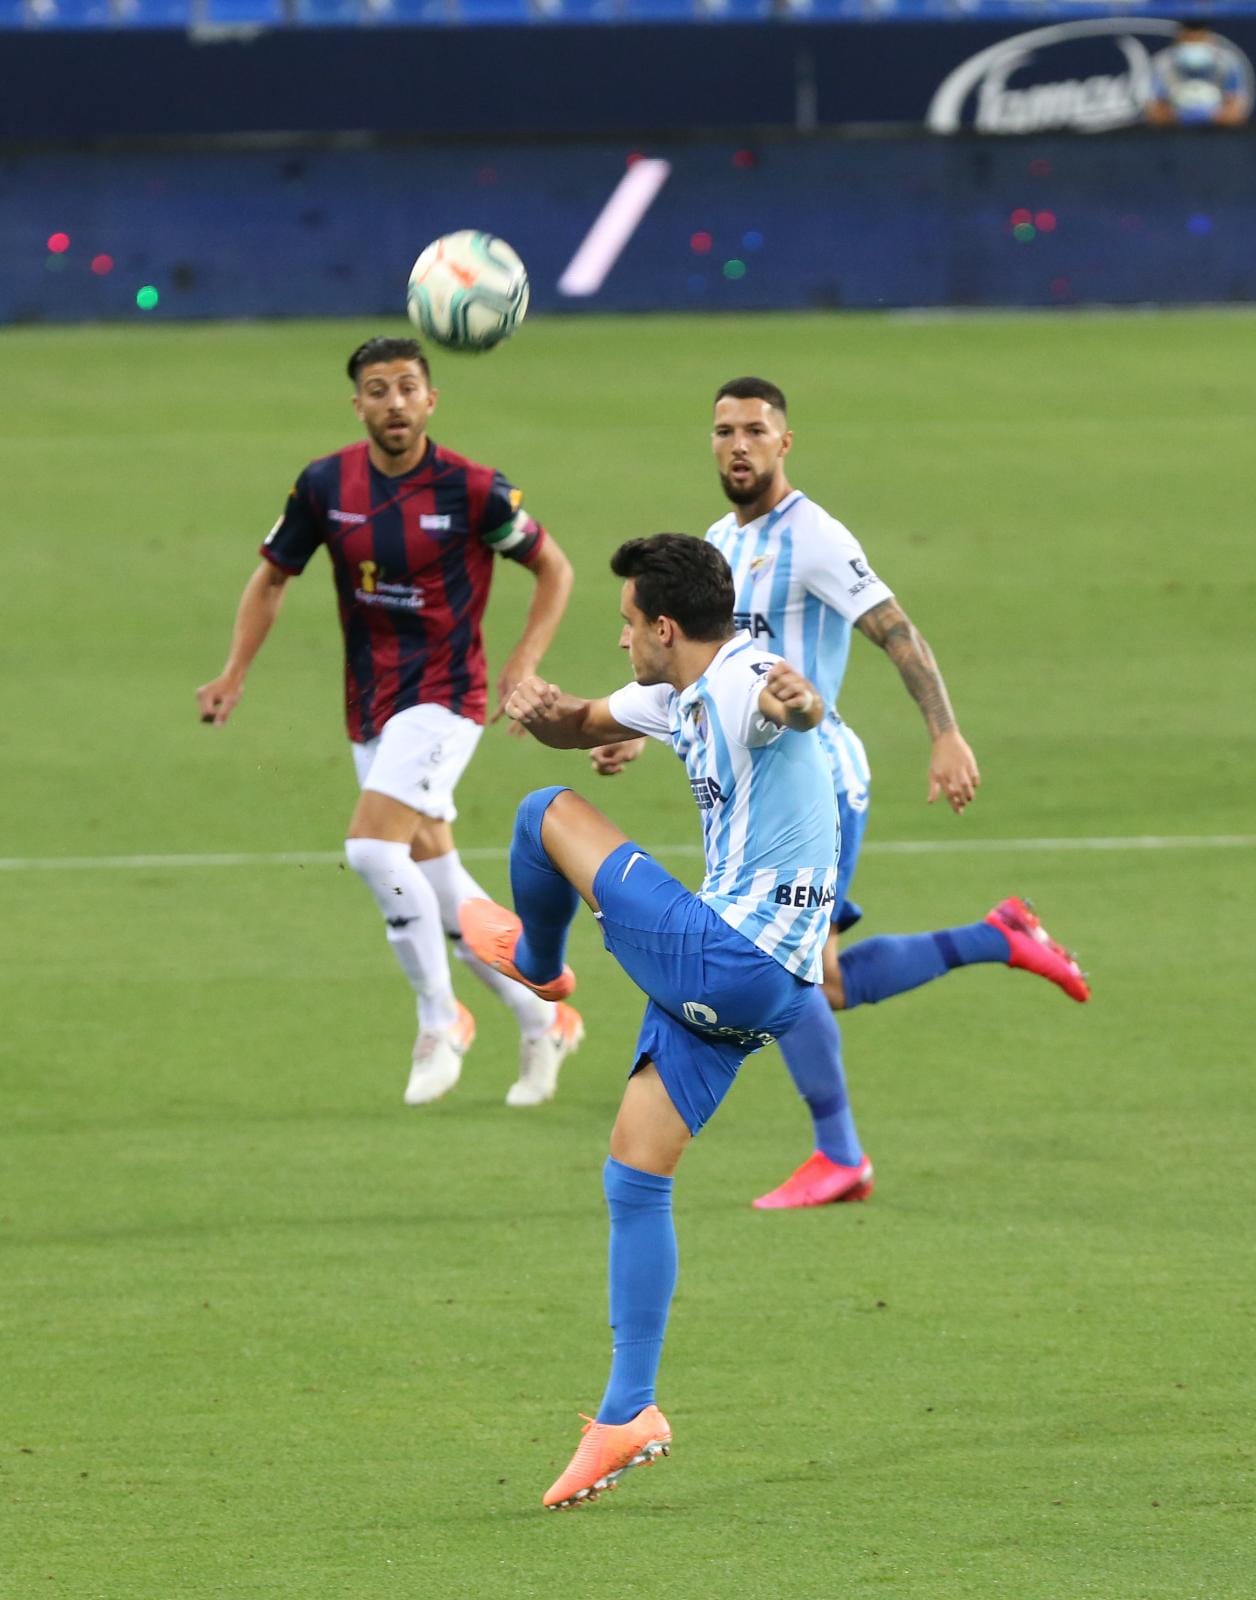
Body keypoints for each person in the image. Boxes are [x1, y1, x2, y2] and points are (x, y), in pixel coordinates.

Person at [591, 376, 1088, 1210]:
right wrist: (636, 728)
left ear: (785, 442)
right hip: (759, 790)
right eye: (723, 431)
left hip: (819, 782)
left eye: (754, 430)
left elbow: (894, 629)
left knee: (801, 980)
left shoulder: (813, 538)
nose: (737, 444)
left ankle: (842, 1154)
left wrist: (945, 733)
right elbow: (695, 668)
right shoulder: (718, 542)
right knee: (822, 980)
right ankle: (999, 936)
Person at [456, 533, 837, 1509]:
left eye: (626, 625)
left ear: (664, 629)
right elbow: (586, 720)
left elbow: (783, 706)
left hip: (731, 956)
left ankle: (535, 967)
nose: (621, 639)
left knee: (545, 812)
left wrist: (799, 703)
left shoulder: (741, 681)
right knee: (633, 1171)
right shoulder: (675, 692)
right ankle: (628, 1410)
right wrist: (542, 706)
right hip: (766, 983)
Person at [196, 336, 582, 1109]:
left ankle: (442, 1020)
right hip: (370, 704)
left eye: (408, 386)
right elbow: (272, 577)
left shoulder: (475, 491)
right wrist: (235, 670)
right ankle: (542, 1017)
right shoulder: (324, 485)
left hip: (447, 697)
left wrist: (524, 664)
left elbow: (554, 567)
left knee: (372, 851)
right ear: (359, 405)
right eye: (378, 389)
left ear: (430, 400)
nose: (394, 402)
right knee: (437, 881)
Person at [1146, 21, 1250, 128]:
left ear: (1210, 39)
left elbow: (1236, 113)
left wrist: (1209, 116)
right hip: (1174, 134)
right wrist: (1182, 116)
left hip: (1218, 134)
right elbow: (1155, 114)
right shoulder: (1163, 63)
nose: (1194, 44)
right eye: (1189, 40)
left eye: (1198, 39)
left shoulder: (1227, 62)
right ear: (1179, 40)